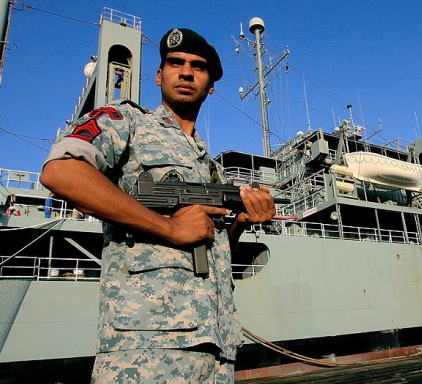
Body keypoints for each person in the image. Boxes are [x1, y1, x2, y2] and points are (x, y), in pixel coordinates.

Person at [40, 27, 276, 383]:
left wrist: (241, 221)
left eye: (198, 66)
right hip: (146, 352)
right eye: (175, 63)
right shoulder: (127, 122)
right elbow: (61, 172)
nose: (185, 72)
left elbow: (210, 253)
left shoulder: (211, 168)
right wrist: (168, 227)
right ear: (158, 75)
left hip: (216, 352)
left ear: (210, 85)